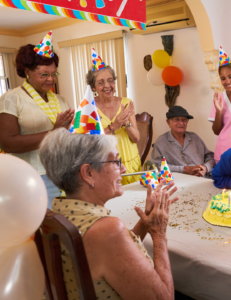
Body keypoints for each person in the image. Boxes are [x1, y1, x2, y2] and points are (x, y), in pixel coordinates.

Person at [39, 128, 179, 300]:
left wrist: (144, 224)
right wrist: (159, 236)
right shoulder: (107, 230)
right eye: (116, 162)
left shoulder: (58, 211)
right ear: (88, 173)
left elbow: (113, 256)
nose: (124, 169)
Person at [0, 32, 74, 208]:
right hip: (32, 177)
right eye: (44, 74)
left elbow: (69, 135)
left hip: (63, 173)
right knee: (43, 230)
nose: (51, 79)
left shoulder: (61, 100)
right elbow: (8, 144)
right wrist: (53, 133)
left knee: (66, 227)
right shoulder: (11, 99)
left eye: (54, 74)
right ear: (27, 72)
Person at [86, 48, 141, 185]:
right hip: (105, 165)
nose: (107, 86)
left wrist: (126, 123)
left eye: (110, 81)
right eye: (101, 82)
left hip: (130, 163)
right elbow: (90, 142)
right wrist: (114, 126)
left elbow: (136, 138)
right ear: (93, 87)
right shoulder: (89, 108)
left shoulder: (126, 103)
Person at [152, 106, 215, 177]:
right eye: (177, 120)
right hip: (178, 182)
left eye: (184, 120)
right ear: (168, 122)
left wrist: (205, 168)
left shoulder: (195, 138)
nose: (181, 123)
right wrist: (184, 169)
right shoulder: (161, 141)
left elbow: (210, 157)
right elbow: (157, 166)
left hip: (202, 179)